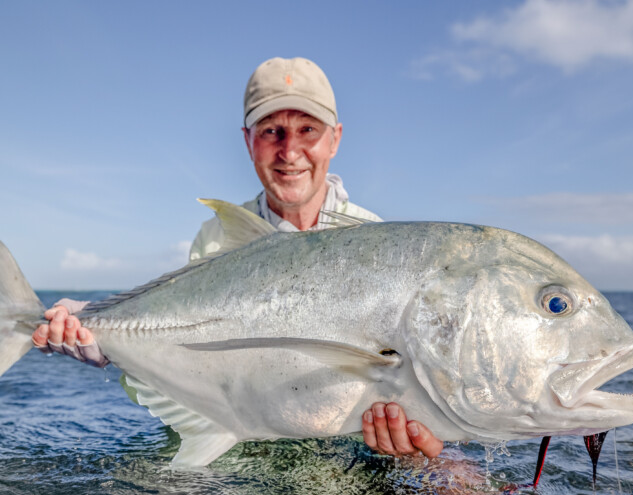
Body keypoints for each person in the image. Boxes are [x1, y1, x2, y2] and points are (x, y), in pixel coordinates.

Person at [32, 57, 444, 461]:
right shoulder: (217, 238)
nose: (290, 150)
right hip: (242, 447)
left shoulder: (384, 247)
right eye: (272, 131)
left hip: (345, 456)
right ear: (248, 141)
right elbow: (183, 342)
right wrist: (94, 327)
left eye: (307, 130)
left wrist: (414, 442)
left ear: (334, 139)